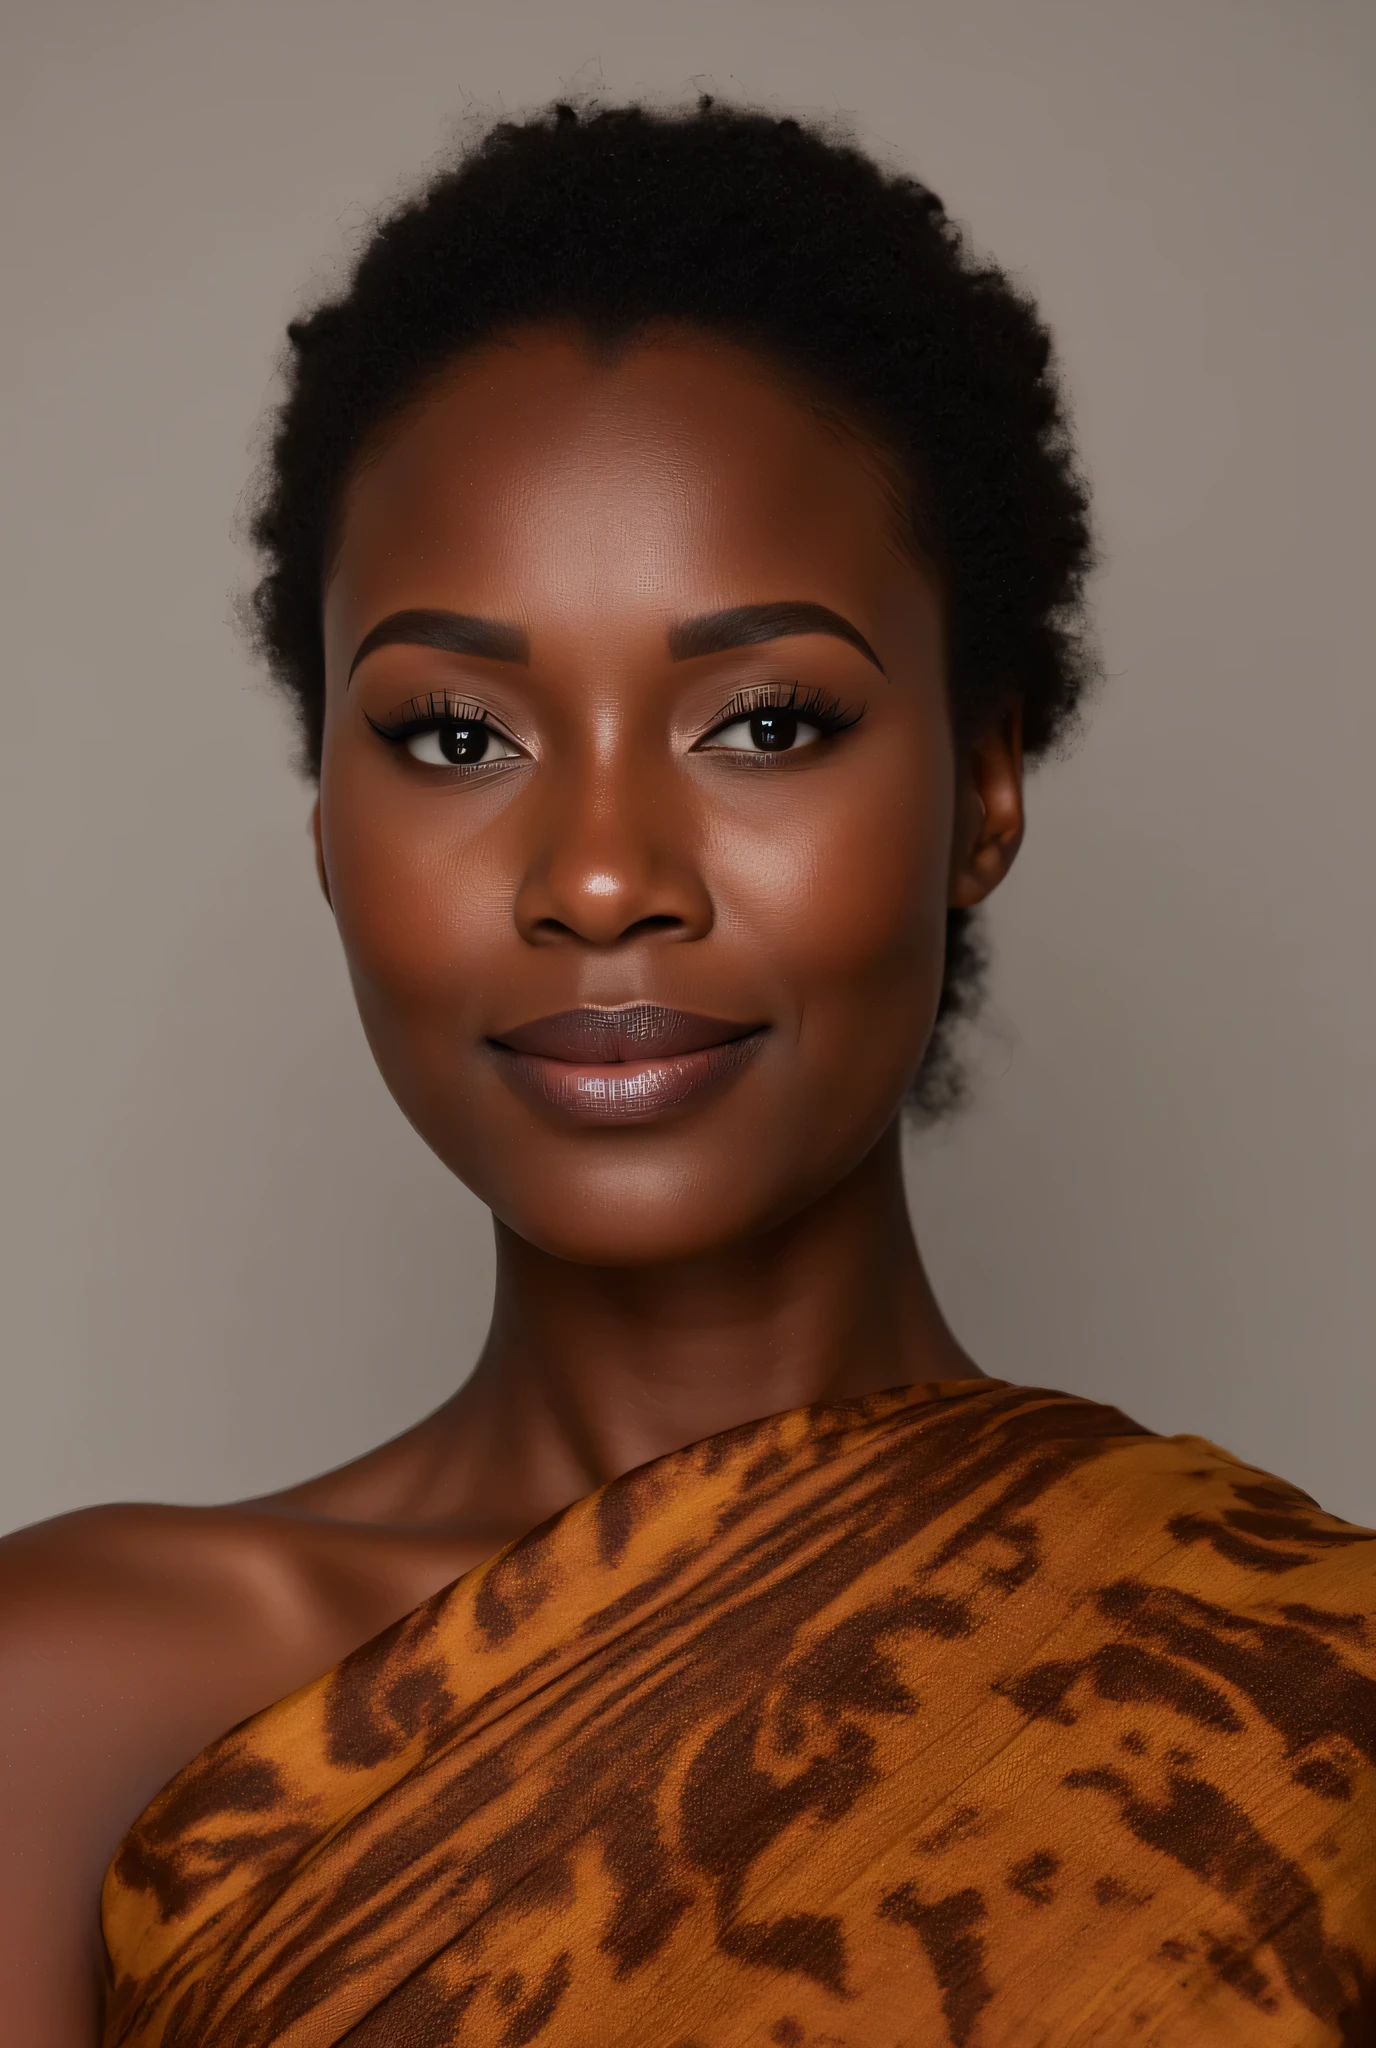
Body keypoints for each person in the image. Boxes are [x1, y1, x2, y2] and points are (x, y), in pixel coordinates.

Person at [2, 100, 1373, 2048]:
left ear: (980, 787)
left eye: (765, 720)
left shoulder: (1320, 1702)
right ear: (326, 819)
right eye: (457, 736)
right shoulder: (66, 1709)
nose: (595, 875)